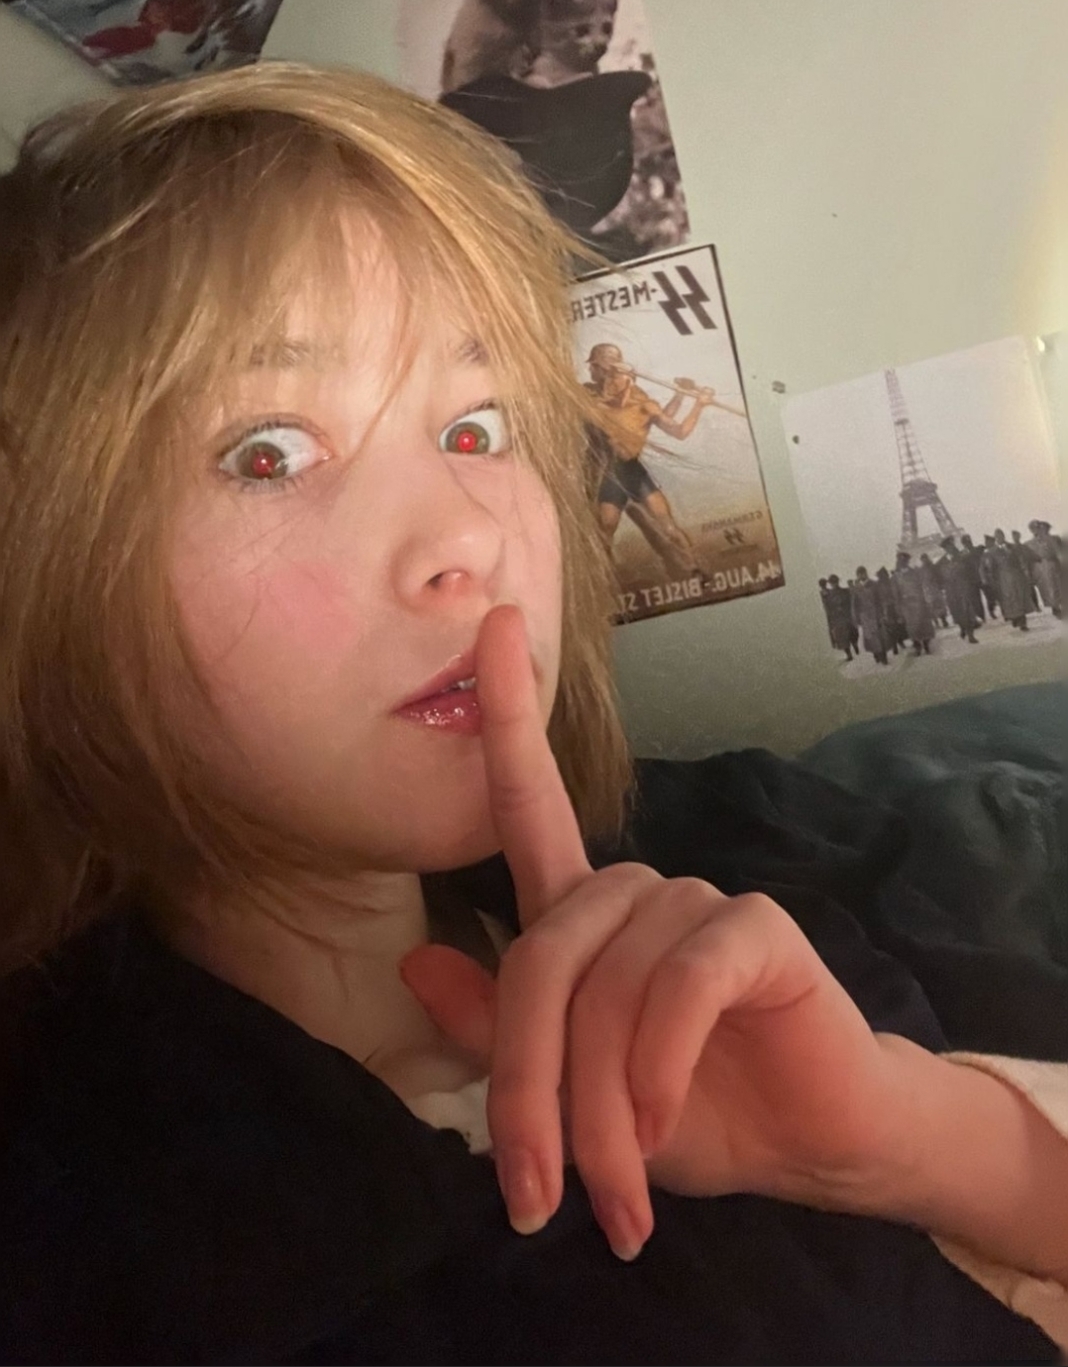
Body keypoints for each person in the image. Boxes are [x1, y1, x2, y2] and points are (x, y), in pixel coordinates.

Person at [0, 63, 1066, 1365]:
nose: (467, 538)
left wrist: (907, 1138)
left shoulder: (748, 857)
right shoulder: (92, 1244)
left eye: (477, 425)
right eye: (268, 452)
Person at [584, 341, 712, 580]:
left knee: (669, 528)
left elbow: (677, 430)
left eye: (595, 367)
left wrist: (697, 404)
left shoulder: (643, 403)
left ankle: (695, 569)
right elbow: (598, 407)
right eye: (599, 370)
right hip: (607, 474)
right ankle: (603, 579)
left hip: (632, 472)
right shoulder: (588, 395)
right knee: (605, 530)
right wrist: (680, 395)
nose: (591, 371)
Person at [937, 538, 980, 643]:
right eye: (948, 547)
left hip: (963, 588)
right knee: (956, 611)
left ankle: (970, 635)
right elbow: (938, 577)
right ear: (945, 549)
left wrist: (972, 582)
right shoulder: (941, 563)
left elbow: (971, 570)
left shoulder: (962, 557)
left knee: (967, 611)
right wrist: (942, 586)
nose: (951, 548)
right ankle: (962, 628)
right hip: (951, 591)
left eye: (952, 545)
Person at [892, 551, 934, 655]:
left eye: (904, 561)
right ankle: (917, 645)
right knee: (912, 627)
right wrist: (898, 608)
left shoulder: (915, 573)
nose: (902, 563)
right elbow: (896, 594)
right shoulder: (896, 577)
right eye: (900, 561)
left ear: (907, 561)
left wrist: (927, 600)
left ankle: (926, 644)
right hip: (907, 606)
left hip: (919, 602)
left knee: (924, 624)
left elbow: (923, 586)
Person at [990, 528, 1033, 630]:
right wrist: (994, 580)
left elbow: (1020, 560)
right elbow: (992, 567)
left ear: (1004, 536)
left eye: (1001, 535)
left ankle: (1023, 622)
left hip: (1016, 576)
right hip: (1003, 579)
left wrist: (1024, 572)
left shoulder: (1012, 547)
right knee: (1009, 600)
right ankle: (1015, 618)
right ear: (995, 538)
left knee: (1020, 598)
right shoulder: (992, 552)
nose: (1000, 538)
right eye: (997, 537)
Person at [1026, 520, 1063, 618]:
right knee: (1047, 589)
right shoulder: (1029, 544)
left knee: (1059, 586)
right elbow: (1029, 560)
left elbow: (1060, 551)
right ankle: (1055, 608)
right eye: (1033, 529)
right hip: (1041, 569)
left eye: (1038, 527)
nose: (1036, 530)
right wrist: (1031, 573)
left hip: (1054, 565)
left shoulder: (1053, 539)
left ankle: (1061, 605)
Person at [823, 573, 855, 661]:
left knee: (845, 636)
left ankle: (850, 651)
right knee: (842, 638)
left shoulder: (842, 592)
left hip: (842, 618)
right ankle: (849, 653)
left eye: (834, 582)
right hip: (839, 619)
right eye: (832, 582)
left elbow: (850, 600)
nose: (834, 584)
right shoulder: (830, 594)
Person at [918, 551, 949, 627]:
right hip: (927, 590)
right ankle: (936, 622)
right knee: (931, 606)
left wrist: (941, 585)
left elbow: (939, 576)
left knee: (940, 604)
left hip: (935, 588)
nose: (925, 560)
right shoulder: (921, 570)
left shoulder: (933, 567)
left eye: (925, 558)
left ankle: (943, 619)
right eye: (923, 559)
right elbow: (920, 580)